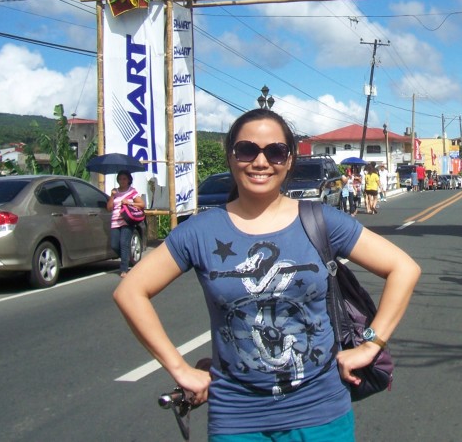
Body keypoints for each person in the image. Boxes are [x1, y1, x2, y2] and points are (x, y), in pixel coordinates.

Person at [114, 108, 420, 440]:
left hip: (321, 416)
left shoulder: (321, 221)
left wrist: (370, 344)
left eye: (275, 151)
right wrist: (179, 369)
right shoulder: (200, 231)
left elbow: (403, 268)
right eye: (247, 150)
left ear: (289, 161)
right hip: (237, 420)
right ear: (231, 157)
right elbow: (130, 291)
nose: (261, 161)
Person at [106, 169, 145, 278]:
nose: (122, 181)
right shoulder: (115, 192)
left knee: (124, 242)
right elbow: (109, 208)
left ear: (128, 180)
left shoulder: (132, 191)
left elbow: (142, 204)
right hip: (115, 221)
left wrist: (129, 202)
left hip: (127, 220)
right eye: (120, 179)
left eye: (124, 179)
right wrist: (112, 196)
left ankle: (124, 269)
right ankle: (126, 256)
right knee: (114, 244)